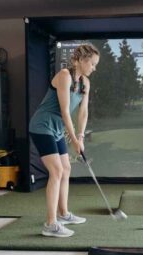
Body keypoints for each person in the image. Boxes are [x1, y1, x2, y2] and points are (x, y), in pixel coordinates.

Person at [29, 43, 100, 237]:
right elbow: (65, 111)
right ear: (82, 61)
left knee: (66, 168)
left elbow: (83, 112)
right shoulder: (64, 76)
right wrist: (74, 142)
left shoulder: (85, 82)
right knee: (57, 170)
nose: (94, 68)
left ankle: (63, 213)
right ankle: (50, 224)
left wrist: (80, 137)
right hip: (42, 127)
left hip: (57, 129)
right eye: (92, 63)